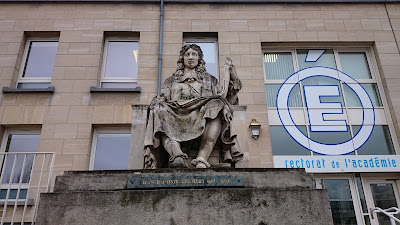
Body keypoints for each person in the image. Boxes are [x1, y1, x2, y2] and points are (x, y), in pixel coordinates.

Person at [143, 44, 243, 169]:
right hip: (175, 113)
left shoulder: (210, 80)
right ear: (182, 58)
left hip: (202, 113)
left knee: (217, 104)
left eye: (194, 54)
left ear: (199, 58)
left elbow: (229, 99)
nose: (190, 57)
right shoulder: (171, 81)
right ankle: (177, 155)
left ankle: (202, 158)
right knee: (158, 108)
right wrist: (159, 100)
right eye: (187, 54)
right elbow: (164, 97)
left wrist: (232, 75)